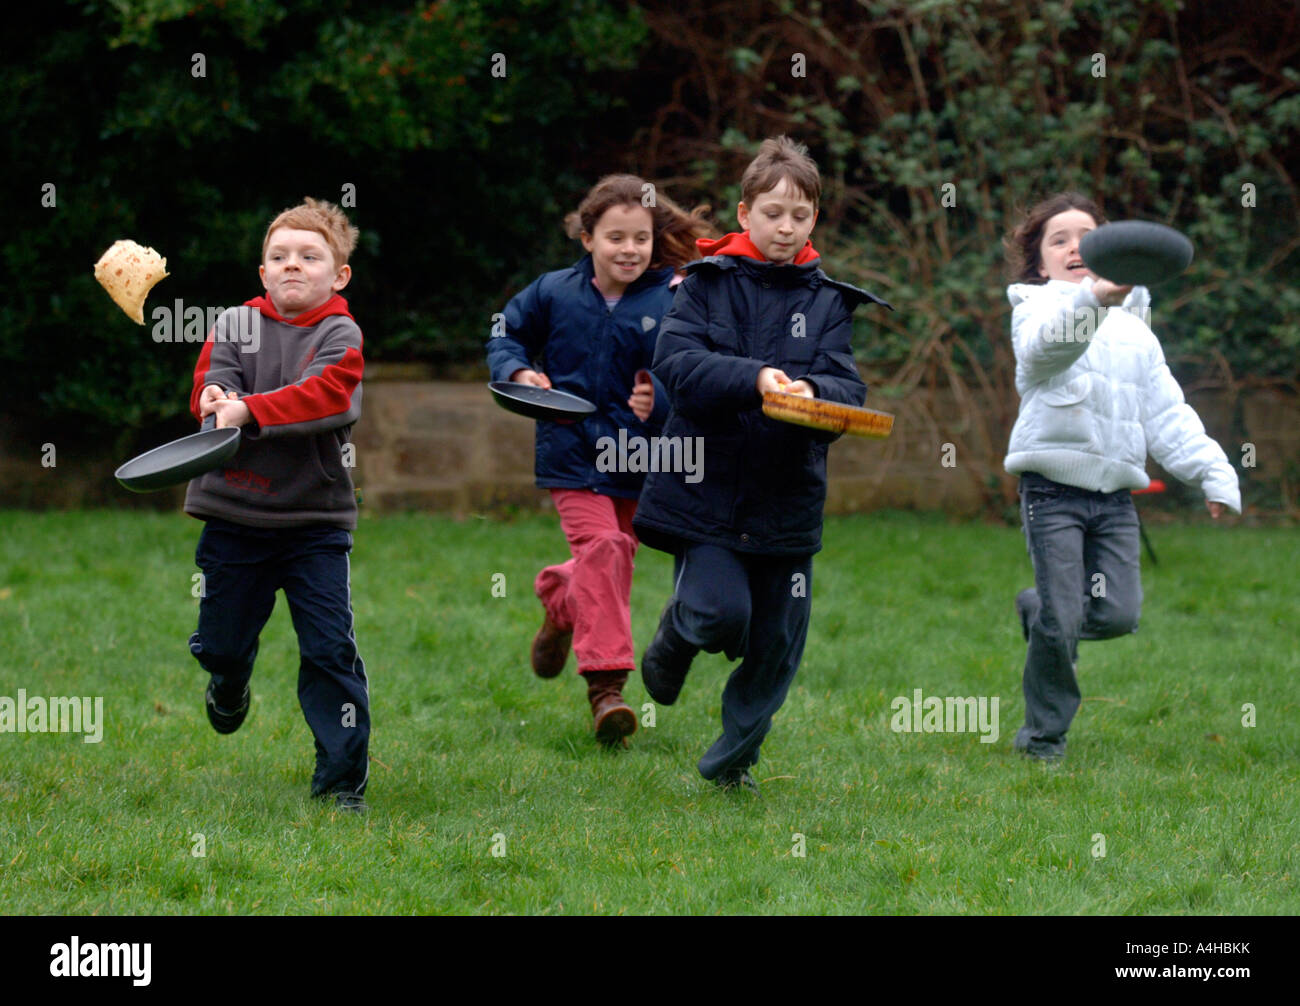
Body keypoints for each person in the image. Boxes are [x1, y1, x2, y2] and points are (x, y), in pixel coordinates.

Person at [632, 137, 890, 793]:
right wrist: (758, 379)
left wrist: (815, 396)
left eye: (800, 216)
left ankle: (733, 764)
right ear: (744, 213)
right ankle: (675, 638)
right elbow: (678, 367)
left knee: (774, 643)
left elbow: (846, 390)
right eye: (773, 212)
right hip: (705, 493)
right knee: (722, 615)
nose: (786, 227)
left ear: (813, 221)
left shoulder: (830, 301)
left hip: (787, 498)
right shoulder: (704, 284)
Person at [1002, 191, 1241, 760]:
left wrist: (1213, 472)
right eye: (1057, 240)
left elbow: (1165, 413)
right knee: (1064, 620)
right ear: (1040, 262)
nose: (1074, 247)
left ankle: (1040, 611)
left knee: (1117, 613)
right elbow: (1044, 354)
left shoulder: (1138, 329)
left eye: (1086, 237)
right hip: (1052, 492)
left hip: (1113, 499)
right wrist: (1092, 301)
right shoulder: (1035, 308)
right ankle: (1043, 738)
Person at [486, 175, 715, 745]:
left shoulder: (674, 298)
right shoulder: (553, 292)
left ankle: (559, 599)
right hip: (571, 455)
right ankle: (606, 688)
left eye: (640, 238)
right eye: (615, 237)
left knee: (605, 562)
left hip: (641, 459)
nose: (629, 249)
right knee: (605, 550)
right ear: (587, 238)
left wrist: (658, 400)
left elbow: (691, 368)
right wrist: (519, 371)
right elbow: (503, 333)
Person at [184, 197, 370, 811]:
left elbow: (328, 396)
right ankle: (228, 681)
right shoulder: (235, 323)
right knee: (221, 643)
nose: (293, 266)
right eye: (279, 256)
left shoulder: (341, 333)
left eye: (309, 256)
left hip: (314, 524)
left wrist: (250, 410)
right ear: (262, 272)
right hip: (234, 515)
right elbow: (213, 382)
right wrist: (215, 394)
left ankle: (341, 783)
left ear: (338, 275)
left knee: (328, 649)